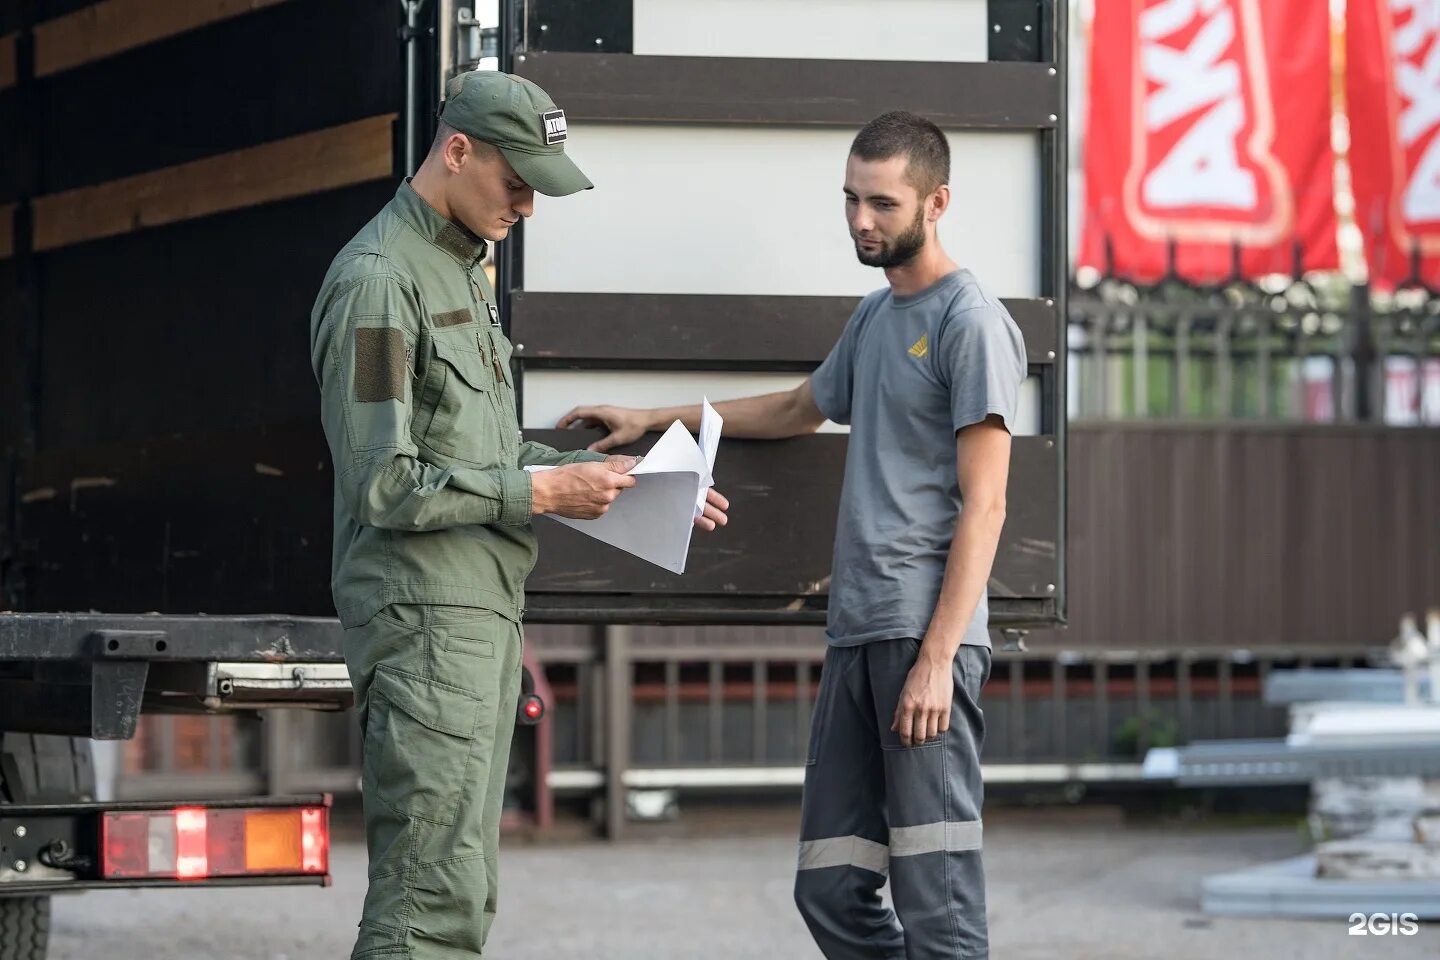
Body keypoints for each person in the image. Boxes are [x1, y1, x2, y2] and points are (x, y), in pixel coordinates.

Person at [558, 110, 1025, 959]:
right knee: (830, 888)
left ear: (937, 201)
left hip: (922, 639)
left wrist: (936, 659)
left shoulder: (972, 322)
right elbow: (798, 408)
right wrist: (649, 418)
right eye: (850, 199)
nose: (859, 220)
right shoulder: (878, 318)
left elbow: (985, 506)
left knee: (940, 902)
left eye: (882, 202)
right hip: (858, 633)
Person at [310, 70, 729, 959]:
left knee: (459, 895)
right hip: (426, 623)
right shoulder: (382, 282)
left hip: (474, 620)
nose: (527, 208)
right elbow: (383, 482)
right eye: (517, 182)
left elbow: (483, 459)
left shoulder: (456, 269)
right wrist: (543, 492)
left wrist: (615, 480)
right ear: (456, 151)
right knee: (428, 907)